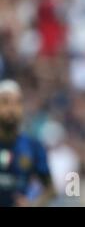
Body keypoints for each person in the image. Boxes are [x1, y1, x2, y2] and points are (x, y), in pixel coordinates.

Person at [0, 79, 56, 207]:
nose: (12, 109)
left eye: (17, 103)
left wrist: (33, 204)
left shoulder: (33, 147)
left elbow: (51, 190)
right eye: (5, 102)